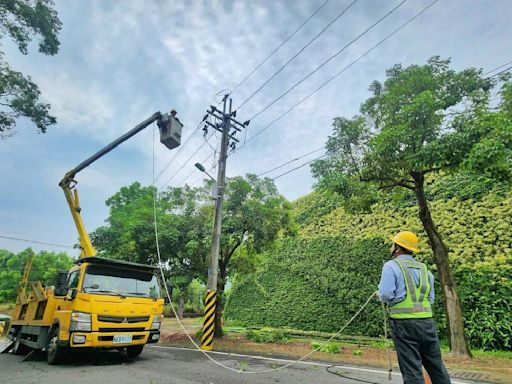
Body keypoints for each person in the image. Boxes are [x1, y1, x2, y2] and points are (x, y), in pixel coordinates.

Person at [378, 231, 451, 384]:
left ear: (397, 247)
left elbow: (385, 294)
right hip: (427, 324)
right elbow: (430, 298)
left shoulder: (391, 266)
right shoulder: (424, 269)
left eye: (393, 244)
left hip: (404, 325)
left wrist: (379, 295)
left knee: (412, 371)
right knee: (436, 368)